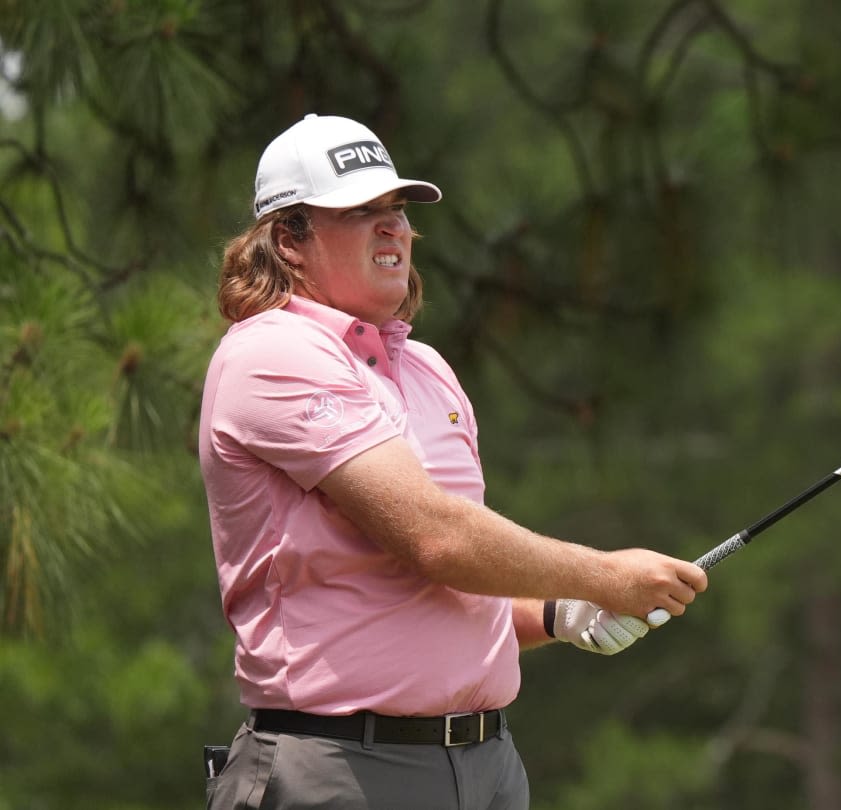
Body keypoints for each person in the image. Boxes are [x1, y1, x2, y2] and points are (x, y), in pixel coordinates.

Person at [199, 113, 707, 809]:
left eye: (397, 210)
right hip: (339, 770)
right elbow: (436, 539)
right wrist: (605, 574)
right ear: (290, 240)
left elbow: (453, 589)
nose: (394, 228)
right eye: (360, 212)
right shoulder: (272, 352)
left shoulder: (428, 369)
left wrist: (561, 611)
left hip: (488, 767)